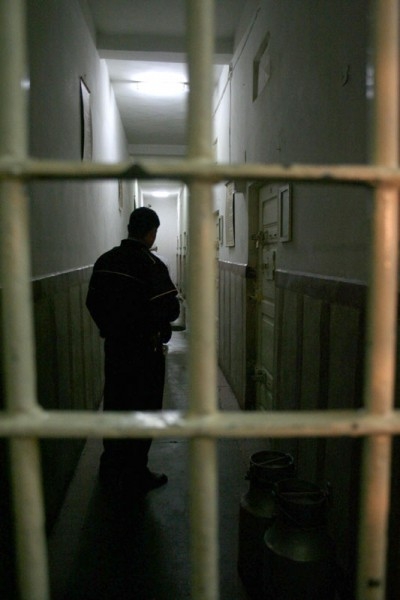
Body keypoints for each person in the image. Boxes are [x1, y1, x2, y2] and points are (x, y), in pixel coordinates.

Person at [86, 207, 180, 494]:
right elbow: (171, 309)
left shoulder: (105, 261)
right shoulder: (150, 264)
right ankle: (136, 473)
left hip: (116, 349)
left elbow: (92, 302)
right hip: (145, 352)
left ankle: (110, 468)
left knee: (116, 403)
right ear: (151, 232)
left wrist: (112, 328)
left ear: (129, 228)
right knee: (144, 408)